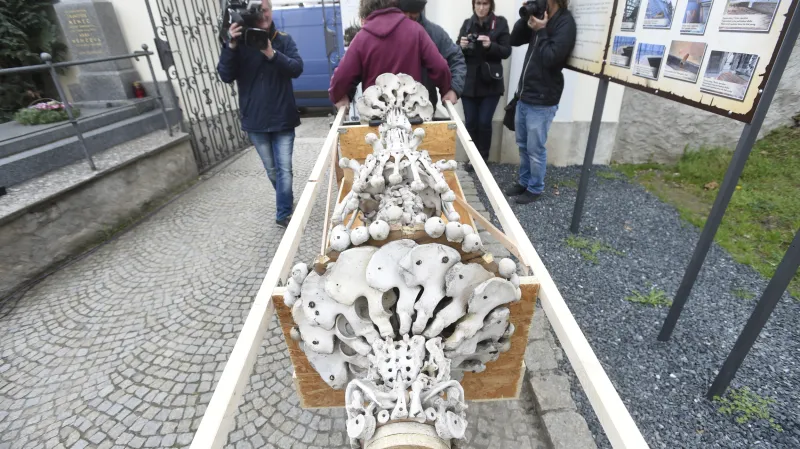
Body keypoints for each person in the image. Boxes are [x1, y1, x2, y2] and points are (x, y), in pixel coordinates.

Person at [217, 0, 303, 228]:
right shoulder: (241, 43)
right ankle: (286, 200)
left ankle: (283, 213)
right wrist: (231, 45)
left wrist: (271, 52)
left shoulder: (283, 40)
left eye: (267, 9)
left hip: (283, 119)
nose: (264, 14)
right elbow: (225, 75)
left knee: (284, 169)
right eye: (259, 11)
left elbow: (296, 68)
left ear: (271, 10)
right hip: (255, 122)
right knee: (273, 171)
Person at [505, 0, 576, 204]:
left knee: (535, 148)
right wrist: (526, 16)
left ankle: (535, 188)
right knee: (523, 145)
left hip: (543, 99)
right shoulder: (540, 15)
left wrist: (543, 30)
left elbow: (551, 59)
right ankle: (524, 181)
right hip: (524, 95)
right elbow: (514, 39)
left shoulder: (564, 22)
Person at [329, 0, 452, 109]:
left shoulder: (362, 38)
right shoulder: (416, 31)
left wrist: (339, 95)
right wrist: (446, 90)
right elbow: (440, 67)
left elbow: (341, 78)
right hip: (411, 115)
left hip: (376, 118)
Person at [457, 0, 511, 171]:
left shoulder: (499, 23)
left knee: (484, 122)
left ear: (490, 5)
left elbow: (506, 51)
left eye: (485, 4)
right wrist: (461, 45)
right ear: (473, 5)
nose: (481, 7)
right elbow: (456, 50)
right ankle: (472, 158)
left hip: (490, 83)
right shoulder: (467, 24)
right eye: (478, 3)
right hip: (469, 84)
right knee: (471, 122)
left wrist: (490, 45)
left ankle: (482, 159)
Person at [397, 0, 466, 107]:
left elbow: (455, 58)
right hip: (389, 108)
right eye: (404, 12)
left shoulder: (434, 33)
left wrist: (454, 89)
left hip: (424, 109)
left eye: (412, 15)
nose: (407, 18)